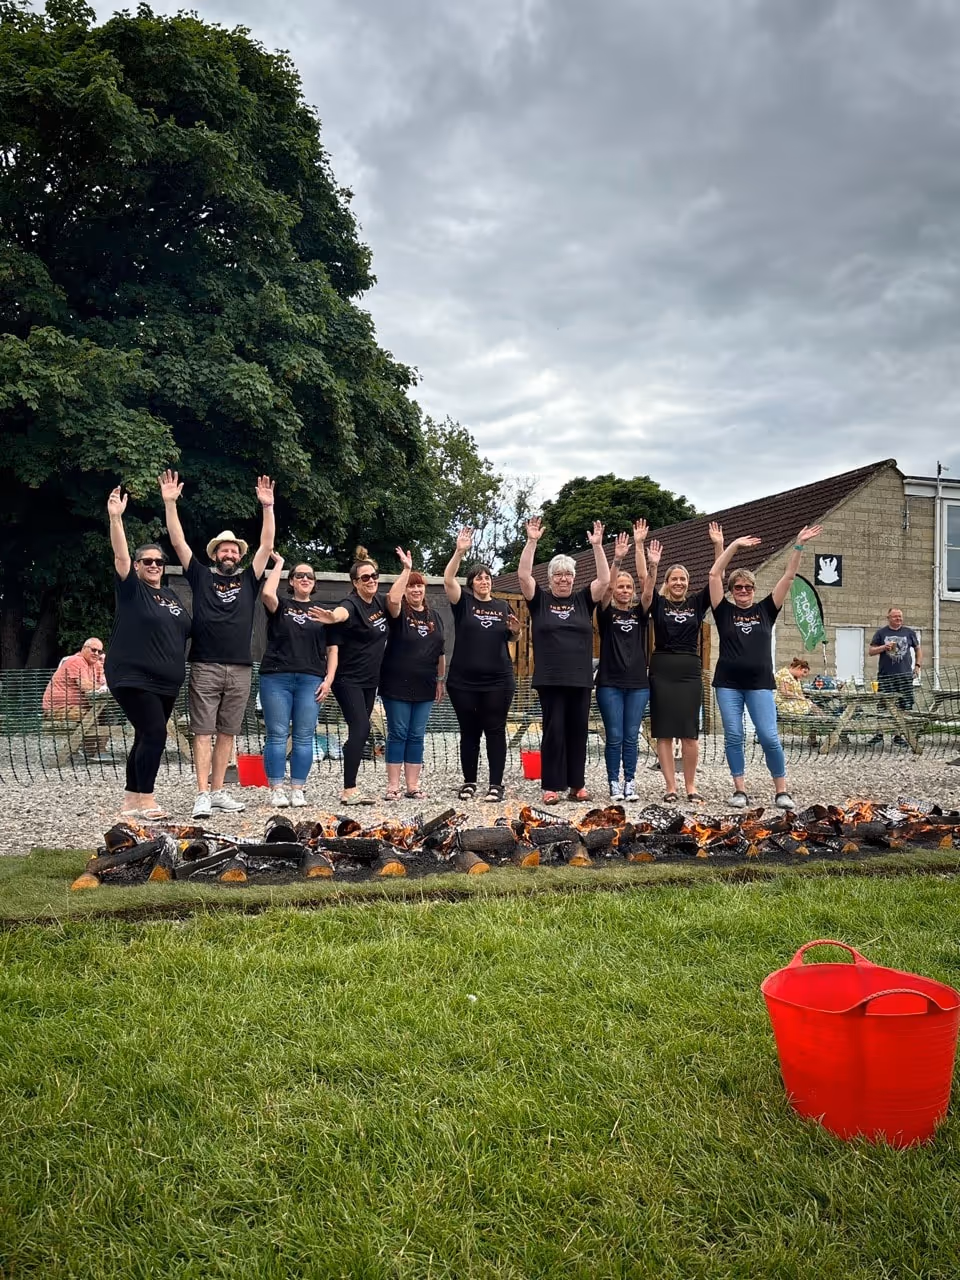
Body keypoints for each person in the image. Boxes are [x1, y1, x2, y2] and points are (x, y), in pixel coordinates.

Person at [159, 469, 275, 819]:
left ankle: (219, 790)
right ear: (215, 554)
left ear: (239, 555)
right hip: (205, 664)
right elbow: (179, 543)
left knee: (228, 731)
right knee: (203, 731)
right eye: (223, 549)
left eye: (233, 549)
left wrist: (267, 507)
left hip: (240, 666)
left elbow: (267, 545)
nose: (228, 553)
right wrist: (169, 504)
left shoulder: (250, 580)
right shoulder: (200, 577)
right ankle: (201, 794)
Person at [708, 523, 823, 810]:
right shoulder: (724, 611)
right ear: (732, 591)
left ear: (754, 589)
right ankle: (739, 790)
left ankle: (781, 790)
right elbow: (713, 574)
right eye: (738, 587)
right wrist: (732, 545)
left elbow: (788, 576)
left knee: (770, 736)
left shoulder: (766, 609)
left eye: (748, 587)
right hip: (728, 684)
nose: (744, 590)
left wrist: (798, 544)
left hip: (760, 683)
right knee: (734, 735)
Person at [103, 487, 191, 820]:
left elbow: (186, 629)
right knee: (156, 732)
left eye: (158, 561)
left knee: (145, 733)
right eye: (147, 561)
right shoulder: (132, 590)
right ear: (138, 566)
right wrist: (116, 518)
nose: (154, 565)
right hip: (133, 675)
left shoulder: (171, 595)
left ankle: (130, 800)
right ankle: (147, 798)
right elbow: (120, 557)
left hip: (166, 682)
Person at [518, 517, 609, 805]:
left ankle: (576, 785)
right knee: (554, 730)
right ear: (550, 579)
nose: (563, 579)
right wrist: (532, 542)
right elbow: (523, 576)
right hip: (551, 677)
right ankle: (551, 786)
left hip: (580, 678)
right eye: (558, 575)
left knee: (578, 731)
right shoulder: (540, 600)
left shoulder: (583, 599)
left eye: (567, 574)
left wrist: (597, 546)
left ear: (573, 577)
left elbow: (605, 580)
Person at [309, 547, 396, 806]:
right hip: (348, 680)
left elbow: (397, 596)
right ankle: (349, 790)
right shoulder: (351, 604)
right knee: (361, 727)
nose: (371, 580)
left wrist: (405, 570)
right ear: (355, 583)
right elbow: (340, 614)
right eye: (365, 578)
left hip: (371, 680)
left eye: (374, 576)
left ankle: (350, 785)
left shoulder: (379, 601)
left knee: (358, 731)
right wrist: (331, 616)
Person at [640, 532, 722, 804]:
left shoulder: (696, 603)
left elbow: (716, 578)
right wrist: (652, 562)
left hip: (689, 669)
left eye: (682, 579)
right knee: (663, 730)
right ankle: (670, 787)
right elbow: (645, 583)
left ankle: (690, 786)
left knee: (689, 732)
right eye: (674, 579)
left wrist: (718, 546)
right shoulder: (658, 604)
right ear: (667, 582)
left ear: (688, 584)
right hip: (662, 667)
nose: (678, 582)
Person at [443, 528, 519, 803]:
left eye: (487, 577)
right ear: (471, 583)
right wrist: (460, 551)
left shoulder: (502, 606)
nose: (484, 581)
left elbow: (512, 635)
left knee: (496, 730)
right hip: (463, 681)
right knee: (470, 731)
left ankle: (496, 785)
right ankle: (469, 782)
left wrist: (516, 632)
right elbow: (448, 578)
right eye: (478, 577)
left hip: (498, 681)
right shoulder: (462, 603)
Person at [259, 556, 338, 808]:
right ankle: (277, 789)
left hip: (311, 678)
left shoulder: (322, 612)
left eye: (310, 576)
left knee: (304, 736)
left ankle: (298, 789)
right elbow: (267, 593)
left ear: (314, 583)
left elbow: (333, 649)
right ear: (291, 581)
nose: (305, 578)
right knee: (277, 734)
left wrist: (329, 680)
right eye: (299, 575)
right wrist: (279, 564)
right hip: (276, 677)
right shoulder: (280, 605)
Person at [379, 556, 446, 801]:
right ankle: (393, 787)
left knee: (417, 735)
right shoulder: (398, 614)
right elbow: (392, 599)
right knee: (398, 732)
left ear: (425, 589)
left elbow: (440, 651)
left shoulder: (435, 616)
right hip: (396, 683)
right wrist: (406, 570)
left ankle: (413, 786)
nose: (416, 589)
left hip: (426, 684)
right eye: (411, 585)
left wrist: (441, 679)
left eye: (419, 585)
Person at [596, 524, 650, 801]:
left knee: (631, 736)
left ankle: (630, 781)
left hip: (639, 685)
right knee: (614, 735)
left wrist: (644, 554)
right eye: (621, 586)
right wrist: (616, 559)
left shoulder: (640, 613)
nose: (625, 590)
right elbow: (603, 589)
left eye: (629, 587)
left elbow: (648, 588)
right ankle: (613, 782)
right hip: (609, 684)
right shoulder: (606, 614)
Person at [41, 638, 110, 760]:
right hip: (57, 709)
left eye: (99, 651)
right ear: (84, 648)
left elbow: (101, 682)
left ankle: (97, 750)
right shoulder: (76, 661)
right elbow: (86, 686)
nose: (97, 654)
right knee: (91, 716)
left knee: (106, 714)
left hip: (73, 707)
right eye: (93, 650)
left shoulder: (93, 664)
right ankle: (90, 751)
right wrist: (103, 687)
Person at [869, 608, 922, 710]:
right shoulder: (881, 633)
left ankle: (907, 726)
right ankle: (886, 726)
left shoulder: (909, 633)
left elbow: (918, 650)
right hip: (886, 677)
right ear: (888, 618)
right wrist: (884, 647)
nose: (898, 618)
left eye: (900, 616)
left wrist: (917, 666)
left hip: (905, 676)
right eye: (895, 616)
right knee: (884, 706)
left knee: (906, 706)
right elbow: (871, 651)